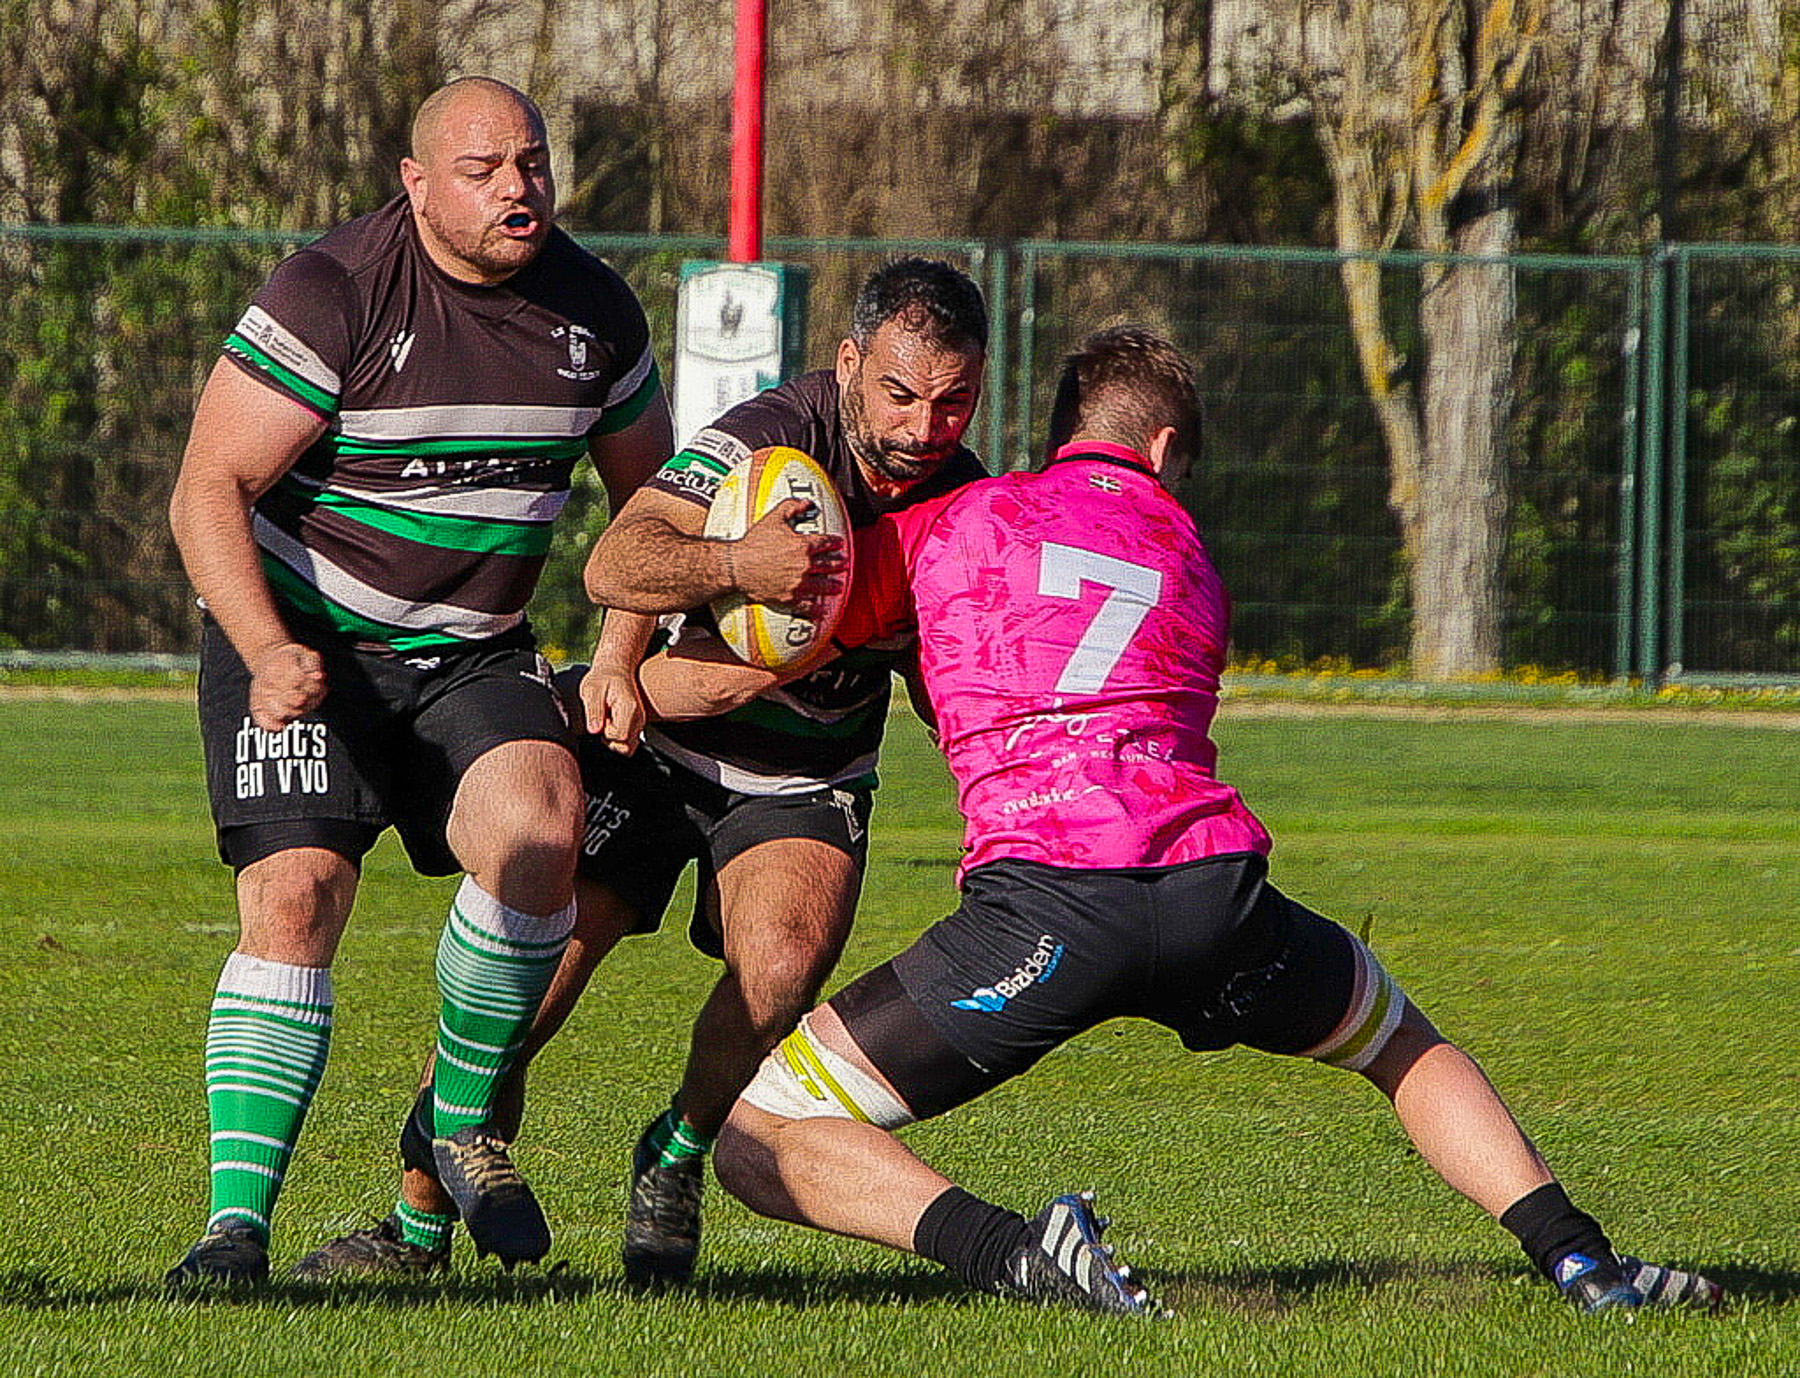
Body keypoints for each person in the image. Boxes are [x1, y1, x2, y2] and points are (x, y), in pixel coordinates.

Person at [708, 326, 1726, 1317]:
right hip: (1214, 899)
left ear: (1064, 432)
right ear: (1161, 451)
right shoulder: (1190, 554)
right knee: (1401, 1044)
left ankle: (1017, 1254)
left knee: (760, 1131)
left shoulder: (958, 520)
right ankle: (1584, 1262)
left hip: (1046, 911)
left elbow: (797, 630)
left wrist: (648, 674)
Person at [291, 257, 990, 1285]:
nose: (923, 428)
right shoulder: (769, 436)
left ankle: (675, 1150)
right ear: (849, 364)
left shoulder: (969, 505)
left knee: (780, 970)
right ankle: (416, 1224)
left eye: (952, 402)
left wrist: (989, 776)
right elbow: (619, 560)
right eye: (899, 394)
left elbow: (953, 679)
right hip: (653, 750)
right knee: (528, 990)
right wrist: (730, 574)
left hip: (804, 773)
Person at [163, 76, 675, 1288]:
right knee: (298, 893)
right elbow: (205, 488)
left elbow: (656, 509)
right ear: (417, 183)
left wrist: (618, 654)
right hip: (304, 640)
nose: (518, 190)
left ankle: (458, 1121)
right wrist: (266, 643)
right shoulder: (334, 291)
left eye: (532, 164)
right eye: (484, 170)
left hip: (472, 648)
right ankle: (234, 1230)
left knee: (542, 833)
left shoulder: (595, 311)